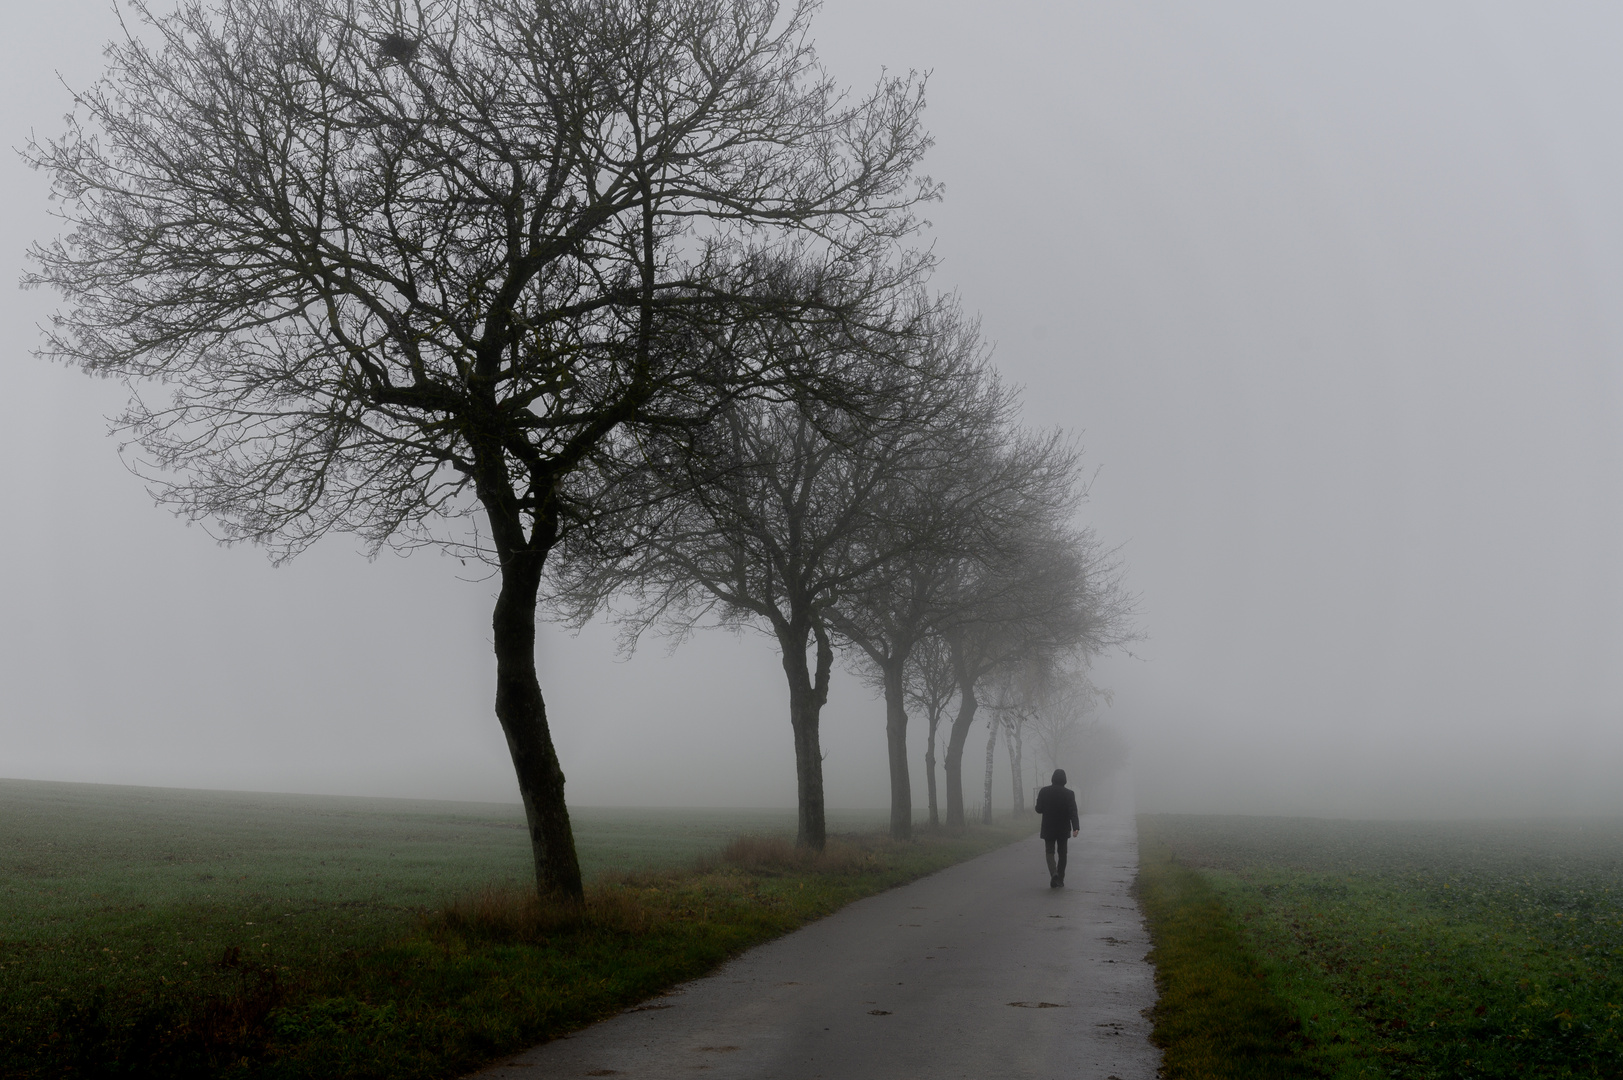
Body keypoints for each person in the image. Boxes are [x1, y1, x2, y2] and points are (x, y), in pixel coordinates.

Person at [1033, 769, 1080, 888]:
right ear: (1064, 780)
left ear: (1052, 778)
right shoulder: (1069, 793)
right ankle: (1060, 878)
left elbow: (1038, 809)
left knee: (1049, 851)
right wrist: (1076, 827)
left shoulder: (1044, 791)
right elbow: (1073, 812)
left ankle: (1054, 872)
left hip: (1048, 827)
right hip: (1063, 828)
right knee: (1062, 853)